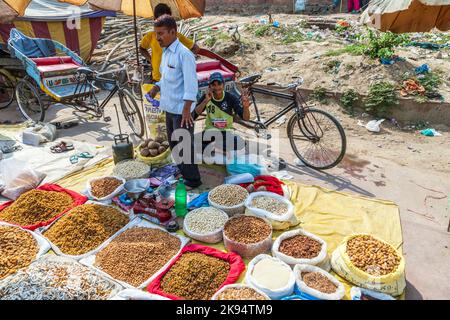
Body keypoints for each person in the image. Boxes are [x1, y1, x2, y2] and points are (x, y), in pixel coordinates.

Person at [148, 15, 201, 189]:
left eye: (161, 33)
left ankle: (193, 180)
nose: (158, 38)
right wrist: (156, 87)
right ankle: (182, 171)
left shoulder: (184, 54)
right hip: (169, 107)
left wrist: (187, 111)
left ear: (173, 32)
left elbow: (191, 86)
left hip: (182, 111)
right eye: (156, 33)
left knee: (184, 146)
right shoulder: (166, 53)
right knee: (173, 143)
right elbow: (166, 78)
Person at [194, 72, 250, 161]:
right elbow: (194, 115)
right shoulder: (206, 97)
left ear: (223, 85)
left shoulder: (231, 98)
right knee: (189, 142)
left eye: (219, 84)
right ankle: (216, 148)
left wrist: (246, 107)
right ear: (210, 86)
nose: (217, 87)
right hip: (209, 133)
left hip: (225, 133)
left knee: (241, 143)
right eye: (213, 85)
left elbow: (245, 118)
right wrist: (205, 101)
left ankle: (213, 147)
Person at [139, 3, 200, 83]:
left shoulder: (177, 36)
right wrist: (151, 60)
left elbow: (195, 48)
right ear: (155, 19)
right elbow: (142, 48)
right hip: (157, 79)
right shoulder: (151, 36)